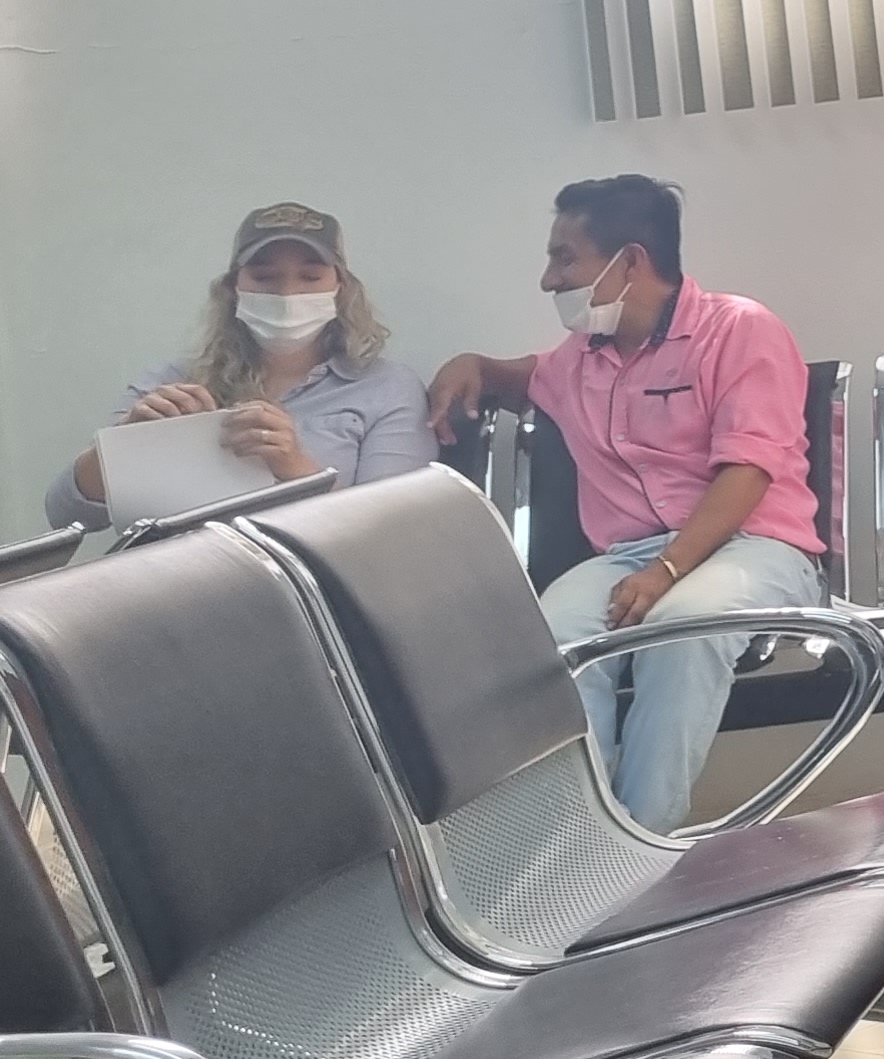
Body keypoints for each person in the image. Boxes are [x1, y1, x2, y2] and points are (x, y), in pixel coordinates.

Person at [425, 175, 827, 831]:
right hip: (628, 559)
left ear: (630, 261)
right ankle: (587, 837)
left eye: (564, 258)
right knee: (553, 645)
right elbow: (521, 375)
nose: (549, 281)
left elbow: (749, 470)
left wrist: (667, 570)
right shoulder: (579, 359)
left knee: (684, 627)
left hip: (754, 548)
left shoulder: (740, 329)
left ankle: (643, 841)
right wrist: (474, 363)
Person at [48, 202, 434, 531]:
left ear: (341, 288)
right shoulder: (173, 380)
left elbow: (392, 535)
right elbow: (65, 515)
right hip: (178, 581)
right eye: (264, 277)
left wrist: (297, 470)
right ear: (233, 288)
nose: (287, 293)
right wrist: (121, 449)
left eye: (310, 276)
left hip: (309, 588)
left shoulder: (387, 388)